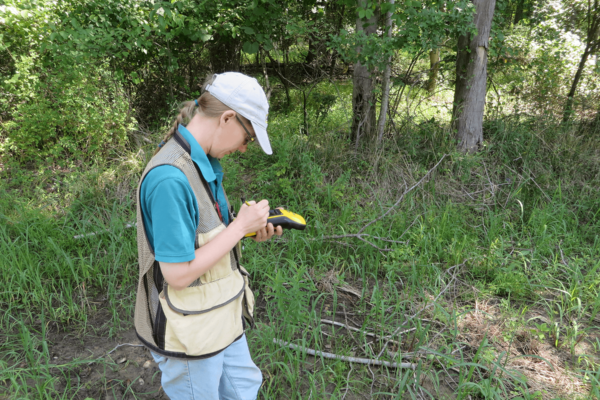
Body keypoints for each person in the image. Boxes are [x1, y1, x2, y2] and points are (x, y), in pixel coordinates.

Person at [133, 72, 282, 399]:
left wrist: (246, 232)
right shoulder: (170, 180)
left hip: (222, 316)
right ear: (227, 117)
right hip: (191, 335)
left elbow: (207, 240)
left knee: (243, 390)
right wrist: (239, 228)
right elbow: (178, 273)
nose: (244, 149)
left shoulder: (204, 165)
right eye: (248, 138)